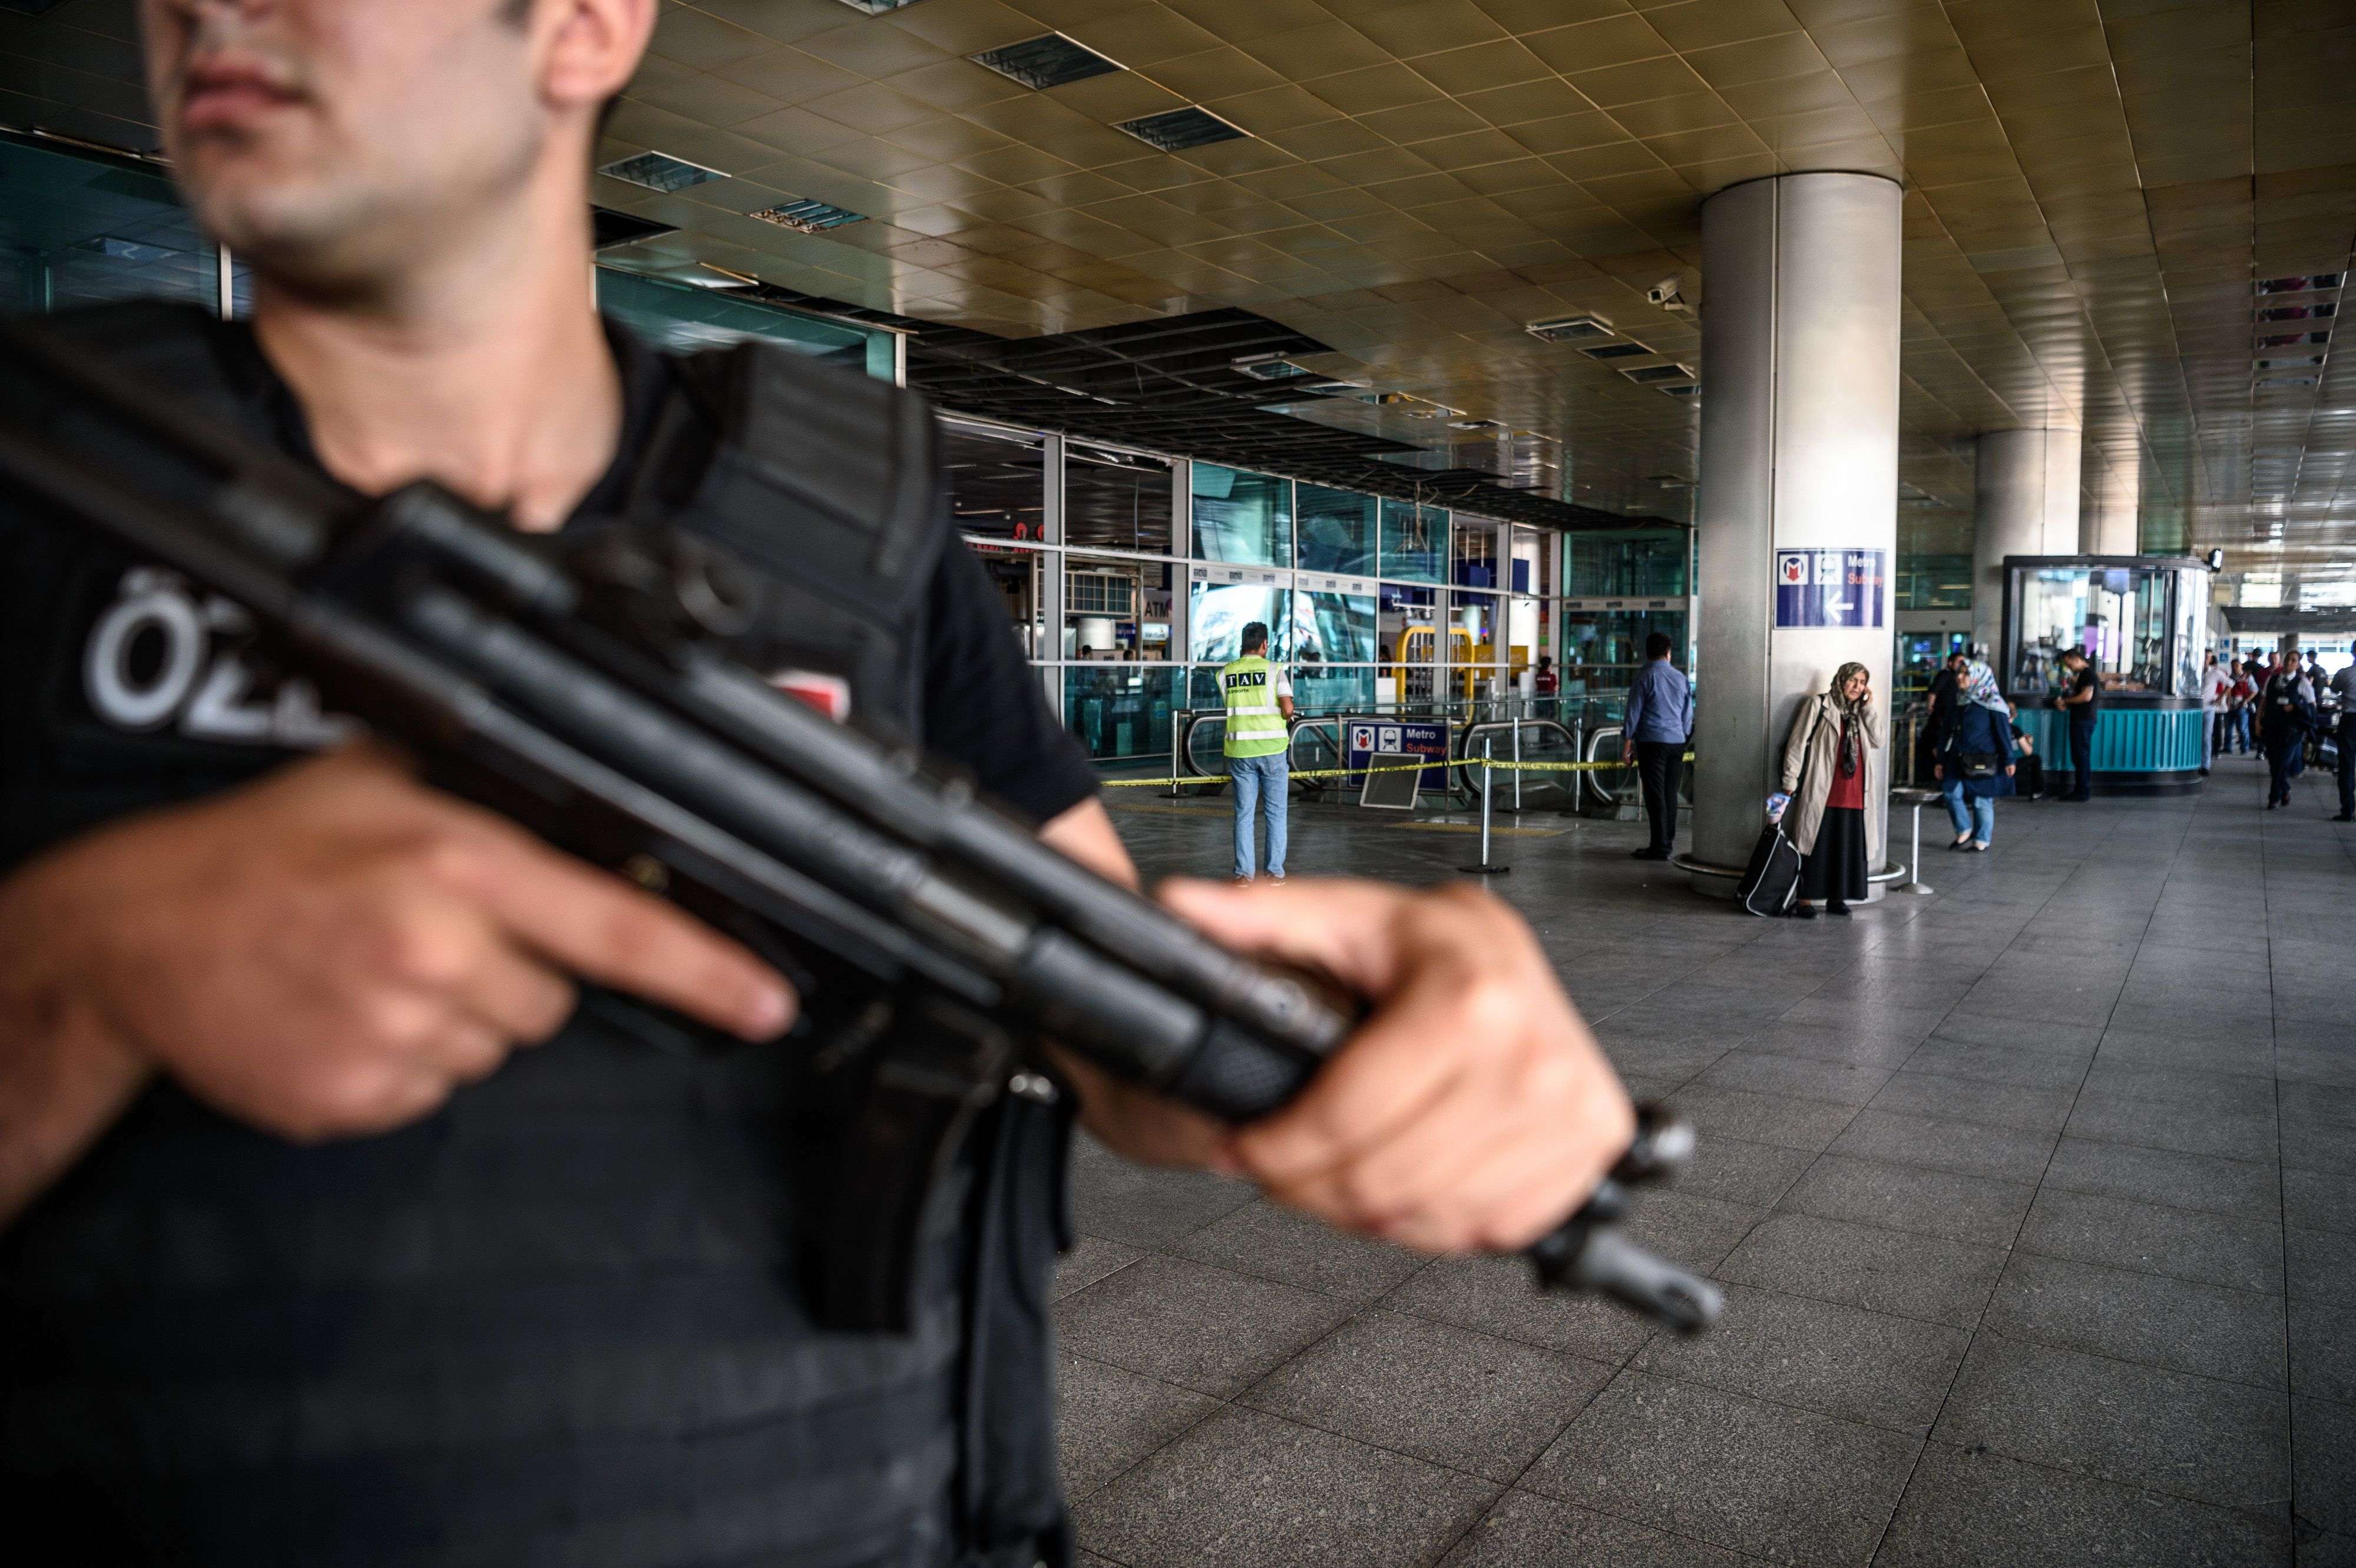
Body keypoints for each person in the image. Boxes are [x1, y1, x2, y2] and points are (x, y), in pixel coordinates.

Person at [0, 4, 1637, 1561]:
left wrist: (1369, 1039)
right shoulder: (54, 475)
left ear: (582, 21)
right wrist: (79, 973)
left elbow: (1097, 1006)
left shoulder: (851, 512)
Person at [1779, 662, 1881, 918]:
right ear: (1841, 680)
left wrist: (1869, 706)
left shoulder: (1861, 712)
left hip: (1856, 792)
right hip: (1824, 788)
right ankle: (1804, 900)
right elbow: (1797, 743)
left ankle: (1838, 897)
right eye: (1853, 681)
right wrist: (1789, 781)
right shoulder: (1819, 704)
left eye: (1862, 682)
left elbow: (1879, 739)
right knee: (1818, 846)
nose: (1858, 687)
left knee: (1847, 847)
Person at [1220, 620, 1292, 883]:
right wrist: (1287, 715)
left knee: (1244, 813)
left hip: (1240, 750)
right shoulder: (1275, 671)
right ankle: (1274, 874)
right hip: (1272, 749)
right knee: (1275, 813)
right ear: (1264, 644)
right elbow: (1287, 707)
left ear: (1243, 644)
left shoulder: (1226, 672)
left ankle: (1243, 876)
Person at [1620, 630, 1693, 861]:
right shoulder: (1680, 679)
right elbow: (1687, 714)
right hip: (1677, 741)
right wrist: (1682, 735)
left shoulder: (1645, 676)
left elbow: (1634, 712)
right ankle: (1666, 842)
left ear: (1647, 653)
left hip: (1652, 742)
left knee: (1655, 796)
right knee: (1670, 793)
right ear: (1668, 654)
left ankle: (1659, 847)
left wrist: (1627, 745)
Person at [1934, 661, 2018, 851]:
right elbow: (1946, 732)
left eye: (1965, 674)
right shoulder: (1959, 701)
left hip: (1983, 758)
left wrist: (2009, 759)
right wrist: (1941, 760)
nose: (1959, 677)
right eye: (1959, 673)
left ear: (1979, 677)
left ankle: (1982, 840)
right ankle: (1964, 829)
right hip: (1957, 757)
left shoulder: (1992, 702)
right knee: (1950, 792)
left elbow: (2003, 733)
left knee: (1982, 799)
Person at [2259, 656, 2317, 809]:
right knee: (2273, 764)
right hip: (2272, 727)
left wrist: (2296, 707)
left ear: (2298, 665)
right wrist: (2258, 721)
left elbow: (2312, 707)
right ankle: (2285, 790)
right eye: (2287, 660)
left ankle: (2274, 798)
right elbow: (2263, 702)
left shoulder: (2302, 682)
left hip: (2292, 732)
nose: (2289, 663)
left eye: (2293, 661)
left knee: (2282, 764)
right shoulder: (2272, 679)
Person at [2055, 647, 2100, 801]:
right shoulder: (2084, 675)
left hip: (2083, 720)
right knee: (2080, 755)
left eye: (2069, 663)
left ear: (2075, 658)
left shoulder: (2088, 674)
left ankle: (2082, 792)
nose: (2069, 667)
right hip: (2083, 719)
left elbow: (2086, 697)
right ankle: (2080, 790)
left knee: (2081, 756)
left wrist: (2066, 701)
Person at [1919, 650, 1965, 784]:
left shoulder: (1958, 678)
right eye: (1959, 662)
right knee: (1937, 745)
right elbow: (1933, 692)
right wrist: (1930, 707)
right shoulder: (1945, 675)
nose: (1961, 665)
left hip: (1949, 717)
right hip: (1941, 717)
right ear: (1950, 663)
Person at [2329, 658, 2356, 822]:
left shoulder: (2345, 674)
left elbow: (2333, 690)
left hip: (2350, 722)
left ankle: (2347, 811)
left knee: (2346, 767)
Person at [2007, 703, 2046, 800]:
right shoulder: (2015, 730)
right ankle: (2037, 792)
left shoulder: (1994, 727)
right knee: (2036, 759)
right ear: (2015, 715)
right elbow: (2028, 752)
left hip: (1992, 763)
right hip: (2010, 765)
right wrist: (2029, 743)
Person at [2199, 650, 2229, 773]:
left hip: (2208, 709)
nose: (2206, 659)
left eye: (2208, 657)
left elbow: (2230, 683)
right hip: (2194, 709)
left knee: (2206, 737)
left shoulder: (2216, 673)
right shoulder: (2193, 670)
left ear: (2211, 659)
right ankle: (2194, 762)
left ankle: (2205, 765)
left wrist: (2221, 697)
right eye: (2204, 656)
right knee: (2194, 737)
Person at [2228, 659, 2257, 755]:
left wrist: (2246, 700)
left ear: (2241, 666)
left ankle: (2245, 747)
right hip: (2231, 706)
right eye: (2233, 665)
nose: (2235, 667)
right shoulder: (2229, 677)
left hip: (2242, 706)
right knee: (2229, 728)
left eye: (2237, 665)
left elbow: (2254, 690)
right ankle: (2228, 747)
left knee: (2242, 728)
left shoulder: (2248, 677)